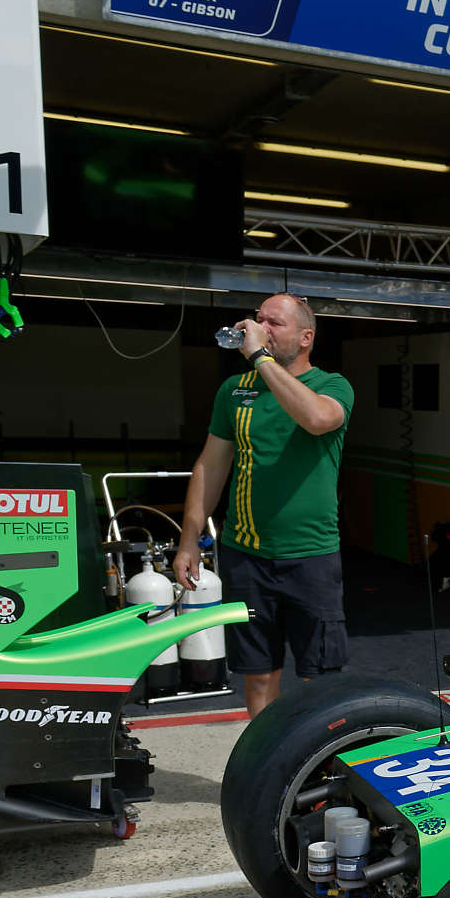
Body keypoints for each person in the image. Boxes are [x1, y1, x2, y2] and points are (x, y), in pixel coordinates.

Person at [176, 294, 354, 717]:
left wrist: (259, 356)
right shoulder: (234, 391)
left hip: (312, 555)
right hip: (247, 554)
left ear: (305, 337)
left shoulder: (332, 385)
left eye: (274, 323)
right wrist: (188, 540)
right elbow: (211, 465)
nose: (260, 328)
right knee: (258, 673)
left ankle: (323, 765)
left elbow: (316, 419)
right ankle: (265, 764)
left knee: (322, 676)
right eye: (259, 320)